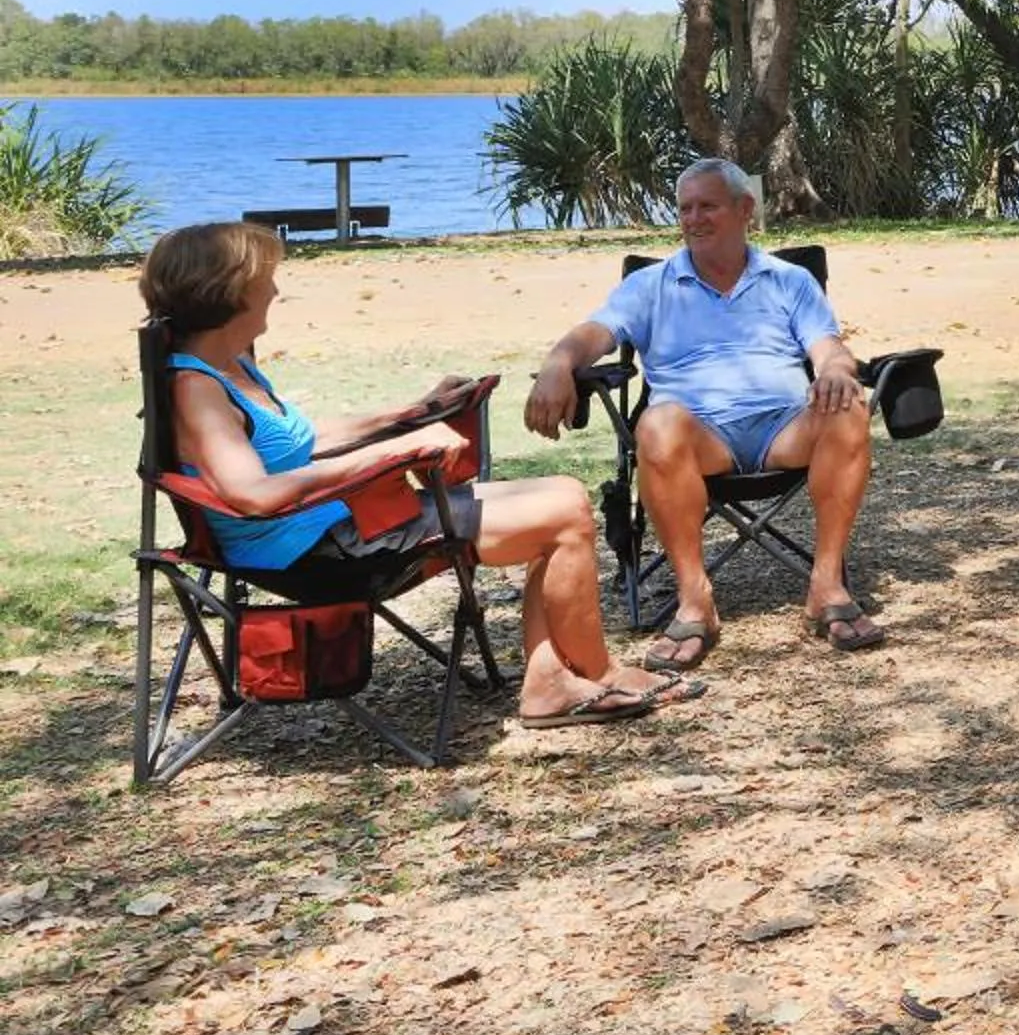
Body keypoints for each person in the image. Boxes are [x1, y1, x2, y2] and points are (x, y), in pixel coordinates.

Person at [141, 220, 700, 729]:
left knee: (563, 495)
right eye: (267, 278)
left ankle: (552, 681)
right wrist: (396, 455)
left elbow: (300, 443)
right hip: (311, 554)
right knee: (561, 516)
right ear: (231, 291)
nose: (276, 290)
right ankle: (594, 675)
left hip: (332, 524)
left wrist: (409, 414)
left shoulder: (230, 364)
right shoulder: (199, 389)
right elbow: (254, 494)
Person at [522, 157, 884, 665]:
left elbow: (827, 346)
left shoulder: (789, 280)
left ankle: (826, 584)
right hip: (700, 438)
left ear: (744, 209)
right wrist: (558, 363)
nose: (693, 219)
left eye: (707, 206)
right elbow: (594, 334)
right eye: (685, 208)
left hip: (784, 429)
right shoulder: (651, 286)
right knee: (657, 422)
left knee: (847, 407)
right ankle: (696, 599)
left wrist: (836, 370)